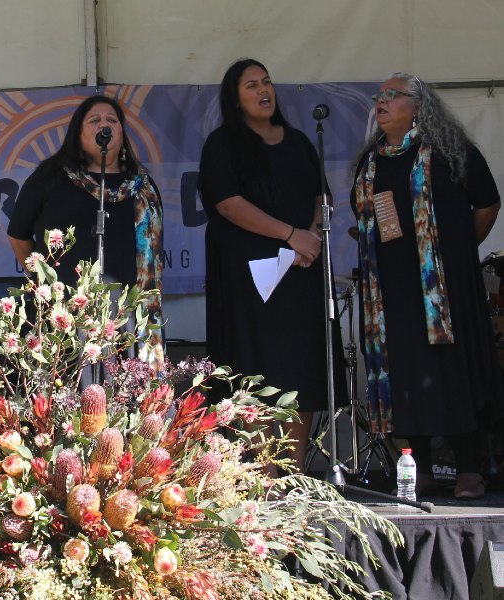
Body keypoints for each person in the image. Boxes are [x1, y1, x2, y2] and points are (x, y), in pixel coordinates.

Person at [351, 72, 502, 499]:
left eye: (392, 95)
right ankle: (417, 469)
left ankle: (470, 467)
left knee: (452, 371)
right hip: (392, 292)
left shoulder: (451, 153)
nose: (381, 101)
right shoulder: (372, 162)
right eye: (378, 95)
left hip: (444, 292)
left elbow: (487, 203)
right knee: (404, 374)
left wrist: (455, 251)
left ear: (418, 105)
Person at [197, 59, 344, 473]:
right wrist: (290, 234)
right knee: (259, 368)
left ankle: (292, 471)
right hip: (251, 278)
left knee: (303, 367)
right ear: (235, 98)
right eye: (251, 85)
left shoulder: (298, 141)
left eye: (266, 82)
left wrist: (310, 236)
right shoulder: (223, 144)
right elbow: (228, 204)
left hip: (302, 270)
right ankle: (261, 471)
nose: (263, 90)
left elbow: (321, 196)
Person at [6, 95, 164, 367]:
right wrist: (43, 278)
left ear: (122, 133)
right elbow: (18, 235)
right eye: (95, 120)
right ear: (78, 134)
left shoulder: (142, 185)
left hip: (128, 312)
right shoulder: (52, 176)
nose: (105, 124)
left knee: (126, 389)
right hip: (66, 310)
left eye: (112, 120)